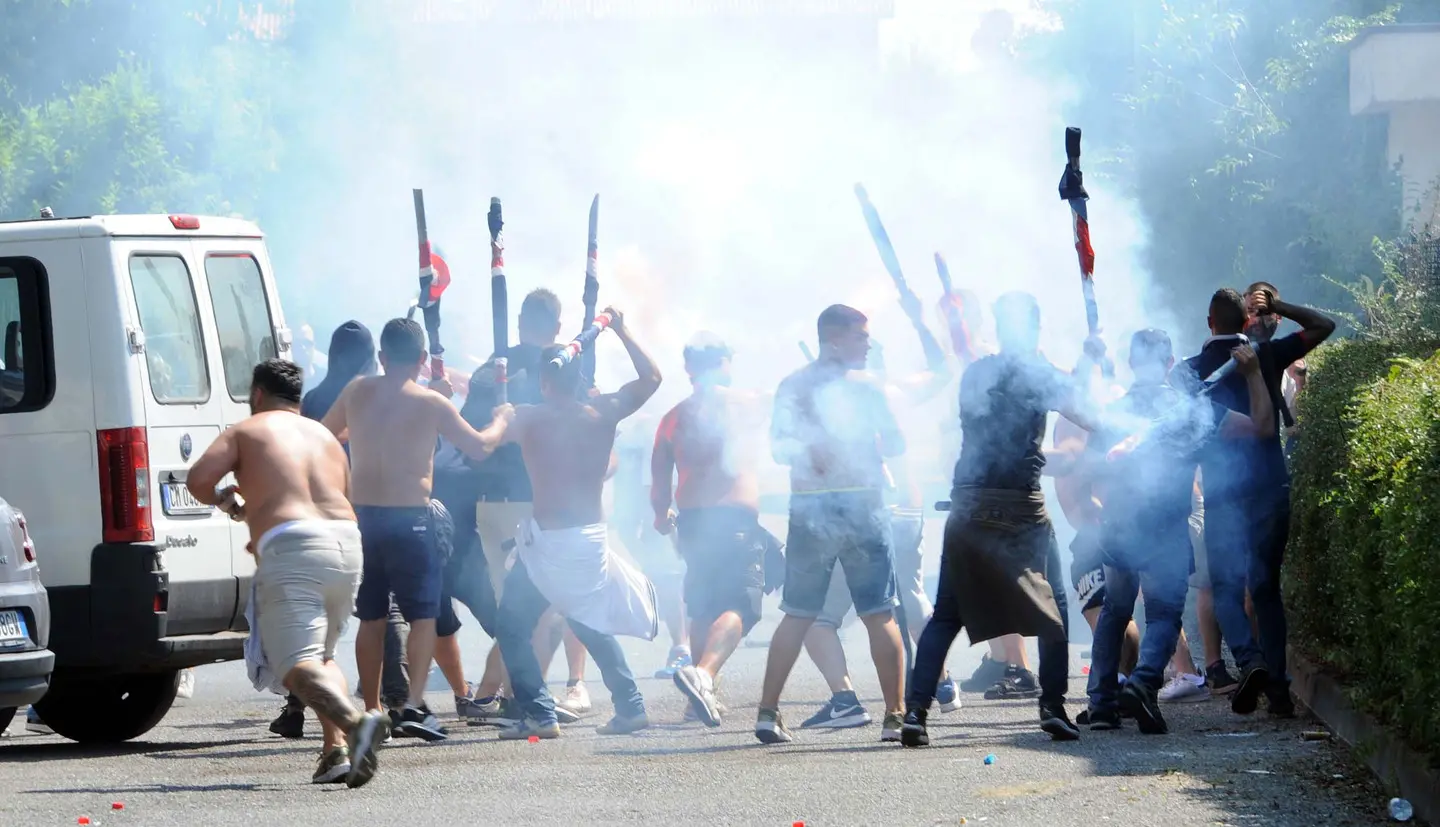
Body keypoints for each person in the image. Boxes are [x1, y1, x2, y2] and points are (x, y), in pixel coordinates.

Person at [901, 292, 1099, 748]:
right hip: (1020, 505)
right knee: (1054, 609)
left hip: (968, 500)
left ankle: (916, 712)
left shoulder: (976, 372)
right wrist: (1089, 366)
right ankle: (1051, 707)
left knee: (947, 613)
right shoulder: (1039, 372)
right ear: (1033, 328)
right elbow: (1089, 414)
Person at [186, 359, 388, 787]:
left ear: (256, 395)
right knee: (322, 657)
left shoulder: (248, 429)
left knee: (293, 664)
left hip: (294, 547)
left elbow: (199, 479)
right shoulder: (326, 438)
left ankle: (355, 725)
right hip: (346, 543)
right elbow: (341, 495)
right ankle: (334, 751)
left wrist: (227, 501)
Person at [323, 318, 514, 741]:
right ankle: (411, 704)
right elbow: (480, 447)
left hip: (366, 519)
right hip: (411, 520)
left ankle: (372, 709)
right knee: (423, 617)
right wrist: (502, 420)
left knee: (371, 618)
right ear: (423, 359)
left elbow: (324, 434)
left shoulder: (358, 392)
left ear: (382, 356)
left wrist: (366, 432)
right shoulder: (431, 403)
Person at [1084, 330, 1273, 734]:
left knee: (1116, 611)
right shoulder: (1194, 411)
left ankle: (1101, 703)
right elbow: (1261, 426)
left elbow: (1093, 469)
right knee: (1164, 614)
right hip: (1165, 530)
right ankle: (1143, 681)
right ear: (1170, 363)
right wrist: (1254, 374)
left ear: (1133, 362)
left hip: (1118, 528)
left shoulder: (1116, 412)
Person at [490, 306, 662, 740]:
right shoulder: (602, 412)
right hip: (587, 540)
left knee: (512, 624)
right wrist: (622, 328)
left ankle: (540, 714)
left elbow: (482, 442)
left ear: (545, 382)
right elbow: (653, 379)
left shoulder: (528, 415)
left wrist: (499, 410)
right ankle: (629, 705)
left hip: (549, 544)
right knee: (586, 618)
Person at [756, 304, 909, 745]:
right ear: (835, 339)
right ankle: (894, 718)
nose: (869, 344)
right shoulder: (867, 388)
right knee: (879, 612)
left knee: (798, 613)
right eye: (862, 336)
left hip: (810, 507)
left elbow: (779, 449)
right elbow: (896, 443)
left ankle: (767, 713)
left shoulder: (792, 385)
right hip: (860, 505)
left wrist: (811, 448)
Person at [795, 337, 962, 731]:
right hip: (908, 507)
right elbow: (942, 371)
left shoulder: (846, 397)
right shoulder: (900, 390)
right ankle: (943, 683)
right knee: (912, 593)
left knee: (819, 615)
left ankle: (845, 700)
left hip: (868, 508)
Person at [1184, 286, 1334, 716]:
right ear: (1246, 321)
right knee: (1266, 589)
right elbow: (1324, 326)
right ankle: (1280, 693)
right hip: (1270, 489)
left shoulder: (1193, 371)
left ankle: (1250, 662)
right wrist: (1281, 307)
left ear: (1209, 322)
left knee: (1228, 590)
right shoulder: (1267, 355)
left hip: (1225, 495)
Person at [464, 289, 590, 724]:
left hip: (496, 504)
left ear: (519, 321)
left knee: (519, 606)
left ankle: (507, 694)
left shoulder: (489, 371)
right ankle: (526, 698)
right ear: (557, 326)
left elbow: (469, 437)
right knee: (544, 607)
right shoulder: (567, 370)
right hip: (544, 504)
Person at [651, 333, 772, 727]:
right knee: (741, 604)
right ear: (723, 363)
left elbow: (659, 481)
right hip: (734, 520)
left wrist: (659, 514)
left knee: (702, 605)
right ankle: (703, 674)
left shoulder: (672, 417)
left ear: (688, 369)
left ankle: (696, 699)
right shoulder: (747, 403)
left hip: (692, 522)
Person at [612, 410, 690, 678]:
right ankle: (684, 647)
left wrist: (656, 514)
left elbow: (653, 481)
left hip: (661, 498)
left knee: (670, 573)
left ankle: (684, 649)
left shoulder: (648, 421)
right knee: (668, 573)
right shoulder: (630, 421)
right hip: (652, 499)